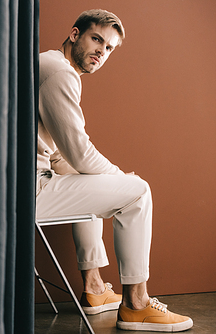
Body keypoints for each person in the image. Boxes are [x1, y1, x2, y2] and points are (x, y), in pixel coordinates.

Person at [36, 9, 193, 332]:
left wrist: (105, 177)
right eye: (96, 39)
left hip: (19, 183)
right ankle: (137, 304)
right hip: (29, 190)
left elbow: (60, 158)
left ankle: (94, 288)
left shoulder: (48, 64)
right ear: (75, 34)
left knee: (83, 177)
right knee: (138, 192)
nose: (101, 52)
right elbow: (79, 152)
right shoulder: (58, 72)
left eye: (109, 48)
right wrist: (123, 179)